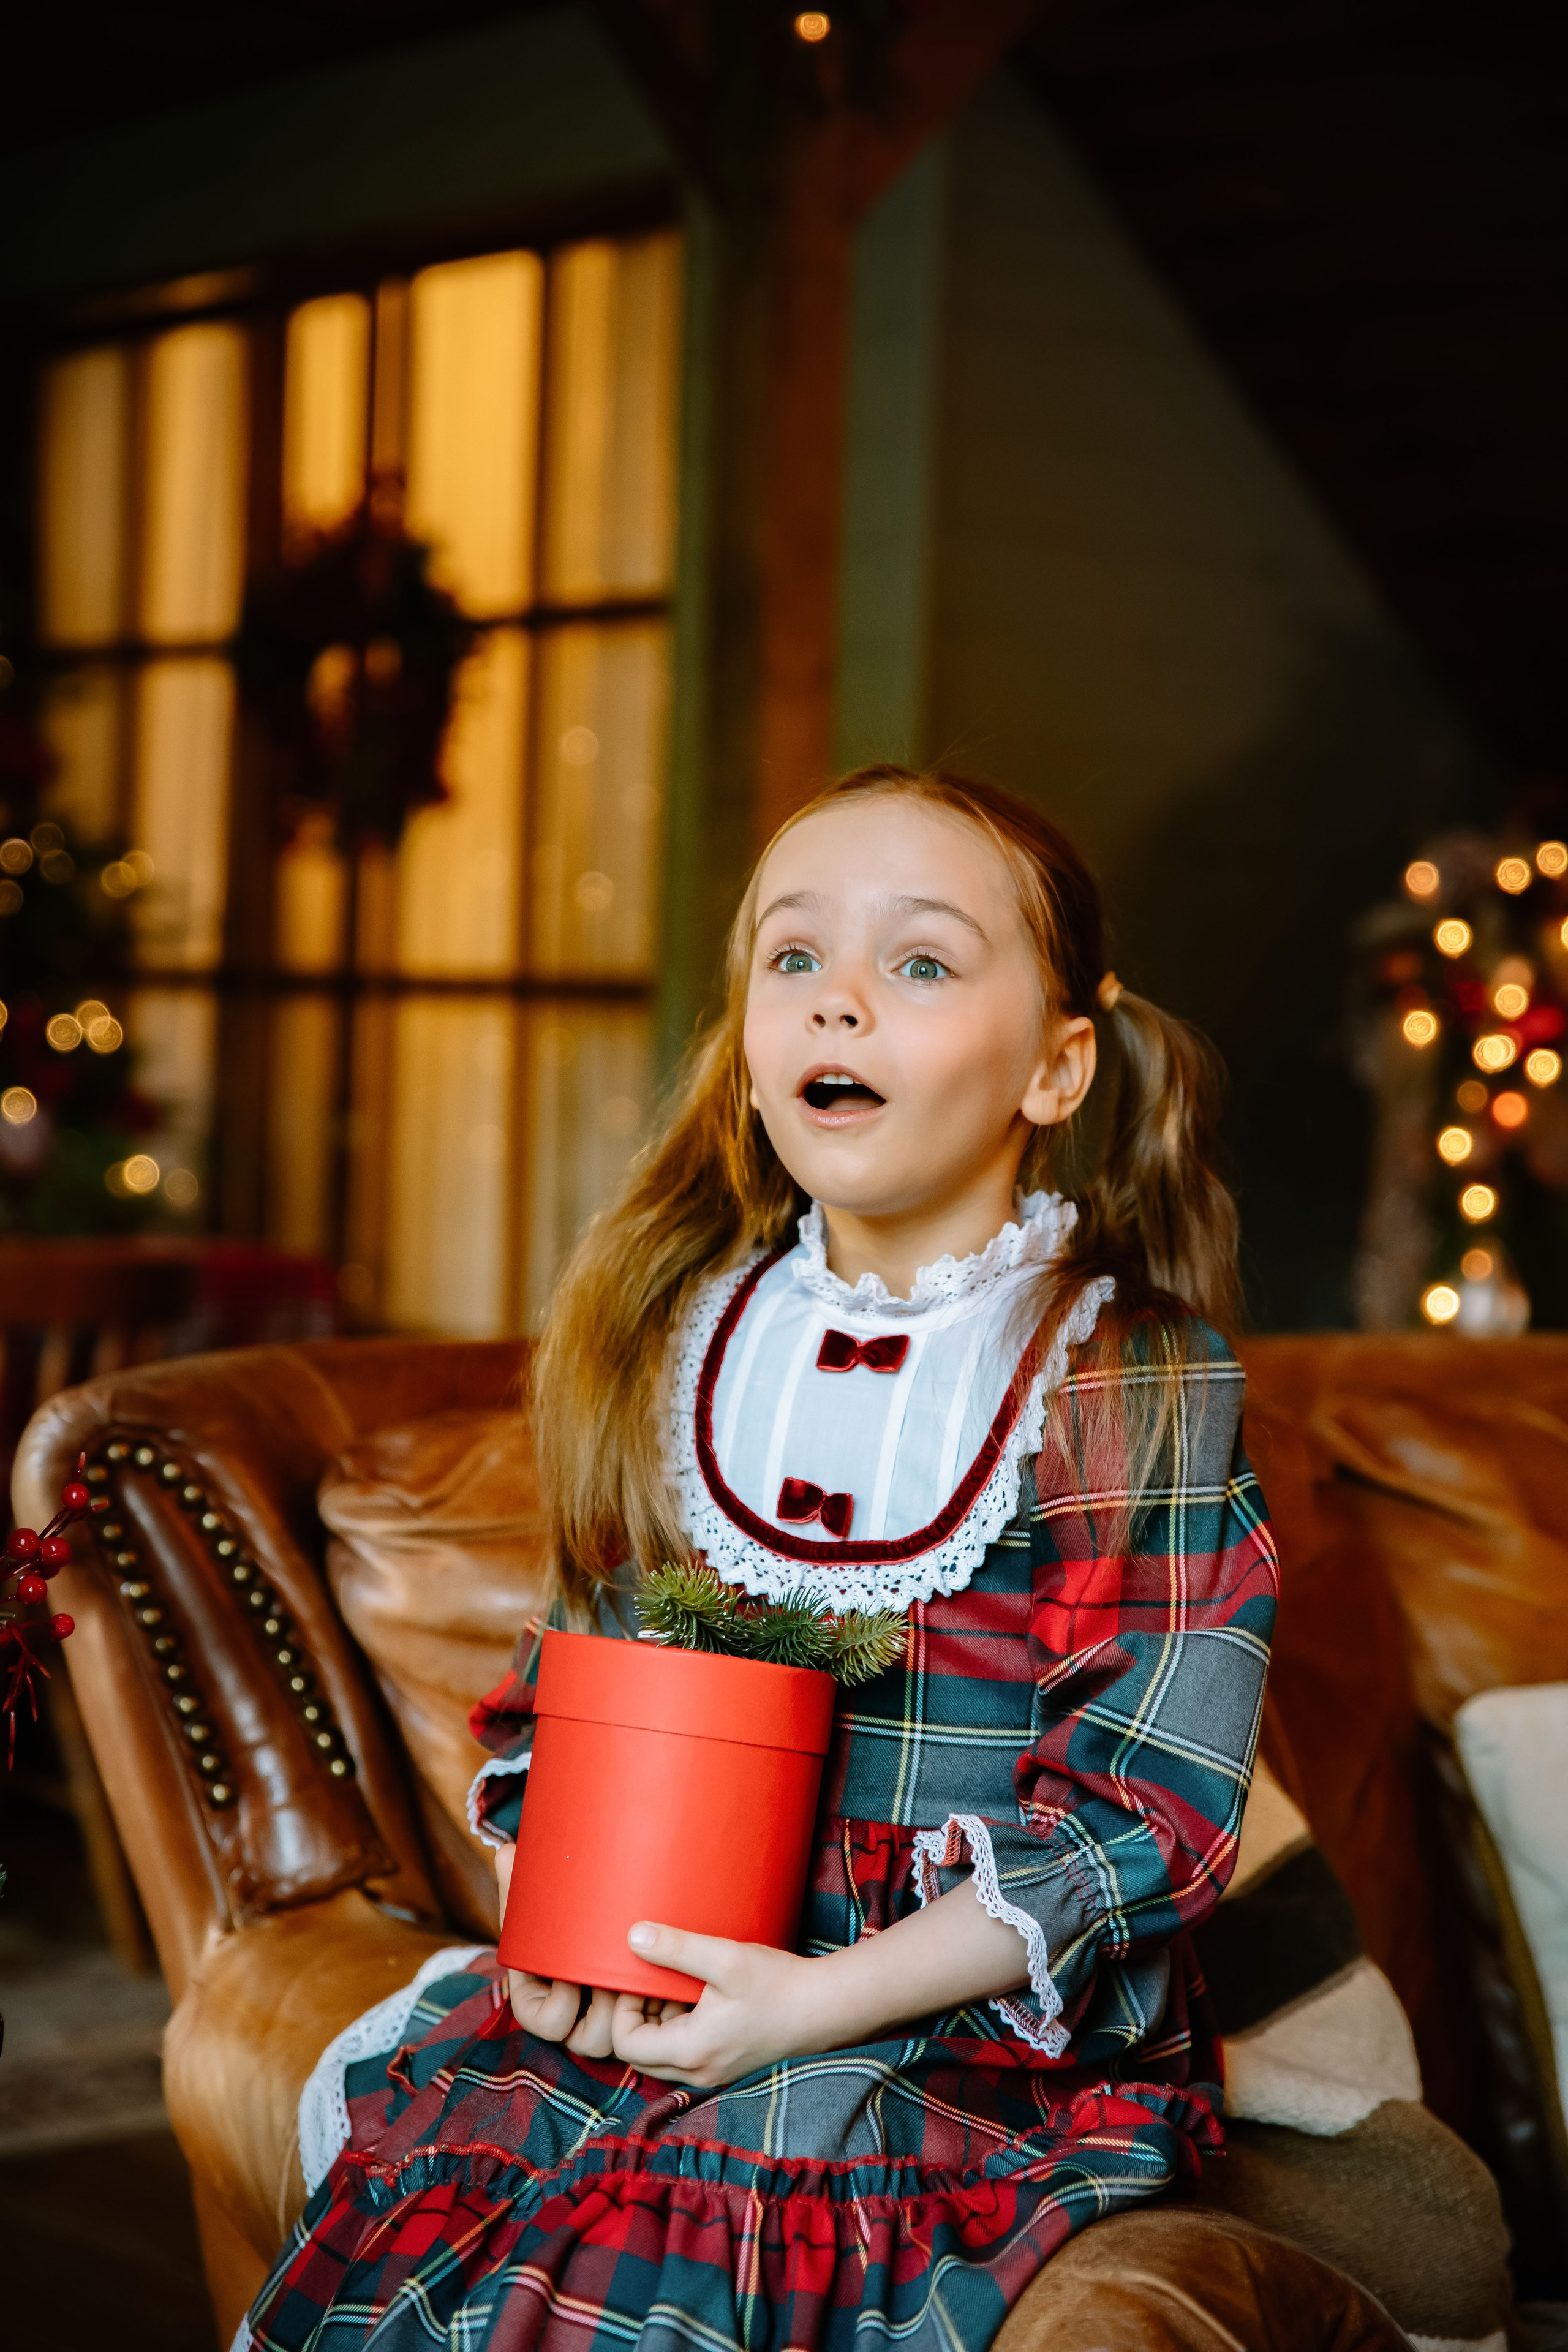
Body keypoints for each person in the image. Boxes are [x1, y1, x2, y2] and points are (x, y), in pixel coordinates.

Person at [242, 766, 1278, 2352]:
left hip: (958, 2035)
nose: (837, 1001)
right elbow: (570, 1698)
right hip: (681, 1979)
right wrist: (562, 1940)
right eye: (795, 957)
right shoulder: (683, 1346)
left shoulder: (1128, 1380)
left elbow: (1145, 1816)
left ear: (1057, 1068)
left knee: (708, 2200)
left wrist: (807, 2006)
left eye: (918, 963)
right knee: (470, 2183)